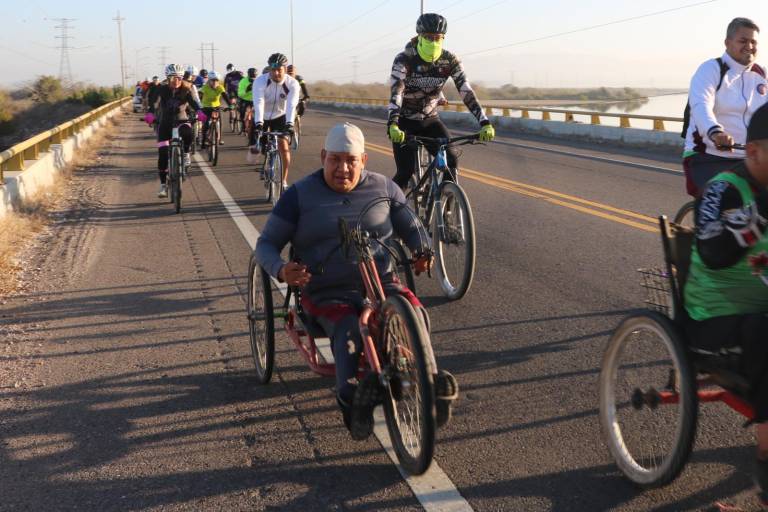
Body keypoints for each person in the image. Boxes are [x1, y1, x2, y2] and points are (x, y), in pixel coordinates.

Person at [255, 122, 458, 439]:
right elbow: (266, 244)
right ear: (323, 156)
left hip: (382, 283)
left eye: (351, 161)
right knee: (350, 330)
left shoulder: (385, 189)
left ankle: (429, 382)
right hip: (326, 292)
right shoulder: (299, 195)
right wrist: (281, 270)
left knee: (415, 313)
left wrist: (422, 250)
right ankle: (352, 400)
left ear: (363, 160)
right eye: (335, 160)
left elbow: (412, 226)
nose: (343, 169)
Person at [684, 102, 768, 503]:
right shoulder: (724, 188)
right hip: (715, 319)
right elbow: (714, 251)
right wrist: (761, 212)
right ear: (753, 152)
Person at [387, 12, 495, 189]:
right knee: (405, 171)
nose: (433, 42)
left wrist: (485, 122)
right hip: (404, 122)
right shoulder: (404, 58)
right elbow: (396, 91)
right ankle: (390, 204)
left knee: (451, 161)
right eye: (429, 37)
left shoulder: (450, 60)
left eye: (438, 38)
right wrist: (392, 123)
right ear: (419, 37)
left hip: (430, 120)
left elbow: (466, 90)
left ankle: (445, 199)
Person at [683, 17, 767, 197]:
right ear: (727, 43)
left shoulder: (762, 75)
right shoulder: (711, 69)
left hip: (749, 158)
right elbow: (701, 105)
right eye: (743, 41)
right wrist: (715, 133)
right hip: (708, 156)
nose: (749, 46)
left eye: (753, 42)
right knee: (719, 201)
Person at [143, 64, 206, 198]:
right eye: (173, 78)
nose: (176, 81)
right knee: (163, 154)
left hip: (181, 120)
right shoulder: (162, 90)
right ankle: (163, 185)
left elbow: (193, 102)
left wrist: (199, 111)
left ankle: (186, 154)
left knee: (188, 133)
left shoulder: (186, 89)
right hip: (165, 123)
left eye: (179, 78)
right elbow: (154, 103)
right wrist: (150, 113)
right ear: (168, 78)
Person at [250, 53, 301, 188]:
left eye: (279, 69)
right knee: (259, 148)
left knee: (283, 147)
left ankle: (283, 180)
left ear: (285, 69)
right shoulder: (260, 81)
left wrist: (290, 124)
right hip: (263, 116)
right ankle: (266, 160)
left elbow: (291, 105)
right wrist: (259, 123)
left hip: (281, 115)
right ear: (269, 69)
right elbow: (259, 103)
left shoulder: (292, 83)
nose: (276, 73)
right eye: (273, 69)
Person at [198, 71, 232, 148]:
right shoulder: (205, 87)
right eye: (212, 80)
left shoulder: (220, 87)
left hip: (216, 107)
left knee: (220, 122)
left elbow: (225, 96)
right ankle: (203, 141)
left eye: (216, 80)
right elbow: (199, 97)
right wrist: (199, 106)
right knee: (206, 124)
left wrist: (230, 105)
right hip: (206, 107)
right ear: (209, 81)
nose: (214, 82)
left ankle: (220, 139)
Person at [237, 67, 257, 132]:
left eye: (254, 77)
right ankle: (243, 124)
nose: (253, 79)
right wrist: (246, 90)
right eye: (251, 77)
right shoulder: (243, 81)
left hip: (255, 99)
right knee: (242, 111)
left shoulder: (258, 80)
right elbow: (239, 94)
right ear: (248, 75)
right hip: (245, 99)